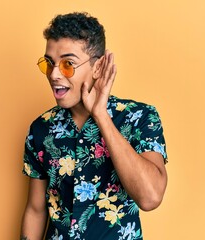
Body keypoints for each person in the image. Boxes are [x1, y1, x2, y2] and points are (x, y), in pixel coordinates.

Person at [20, 12, 168, 240]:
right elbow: (36, 209)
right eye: (50, 63)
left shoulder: (139, 118)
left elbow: (150, 197)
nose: (54, 74)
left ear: (98, 68)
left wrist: (100, 115)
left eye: (68, 64)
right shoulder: (41, 129)